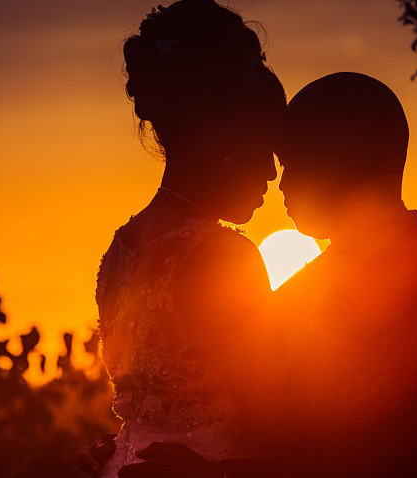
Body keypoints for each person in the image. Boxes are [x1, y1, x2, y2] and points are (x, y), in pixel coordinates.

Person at [91, 72, 417, 477]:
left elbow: (392, 457)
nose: (280, 183)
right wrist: (130, 450)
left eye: (293, 162)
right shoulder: (298, 286)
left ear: (342, 157)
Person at [89, 1, 289, 477]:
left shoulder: (121, 249)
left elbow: (146, 414)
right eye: (264, 147)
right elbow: (279, 432)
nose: (272, 172)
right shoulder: (223, 257)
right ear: (225, 140)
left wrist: (114, 450)